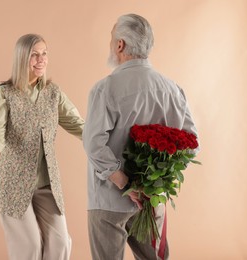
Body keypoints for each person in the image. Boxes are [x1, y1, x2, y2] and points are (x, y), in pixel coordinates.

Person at [82, 14, 199, 260]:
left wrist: (124, 182)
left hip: (108, 201)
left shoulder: (105, 88)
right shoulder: (171, 89)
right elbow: (191, 144)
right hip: (151, 199)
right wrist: (155, 181)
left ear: (120, 45)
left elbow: (93, 143)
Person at [0, 33, 84, 260]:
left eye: (44, 53)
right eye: (34, 55)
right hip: (12, 182)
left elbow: (78, 124)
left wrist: (103, 138)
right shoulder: (5, 93)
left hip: (46, 184)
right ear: (22, 58)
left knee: (61, 243)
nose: (41, 59)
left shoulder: (53, 93)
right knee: (29, 247)